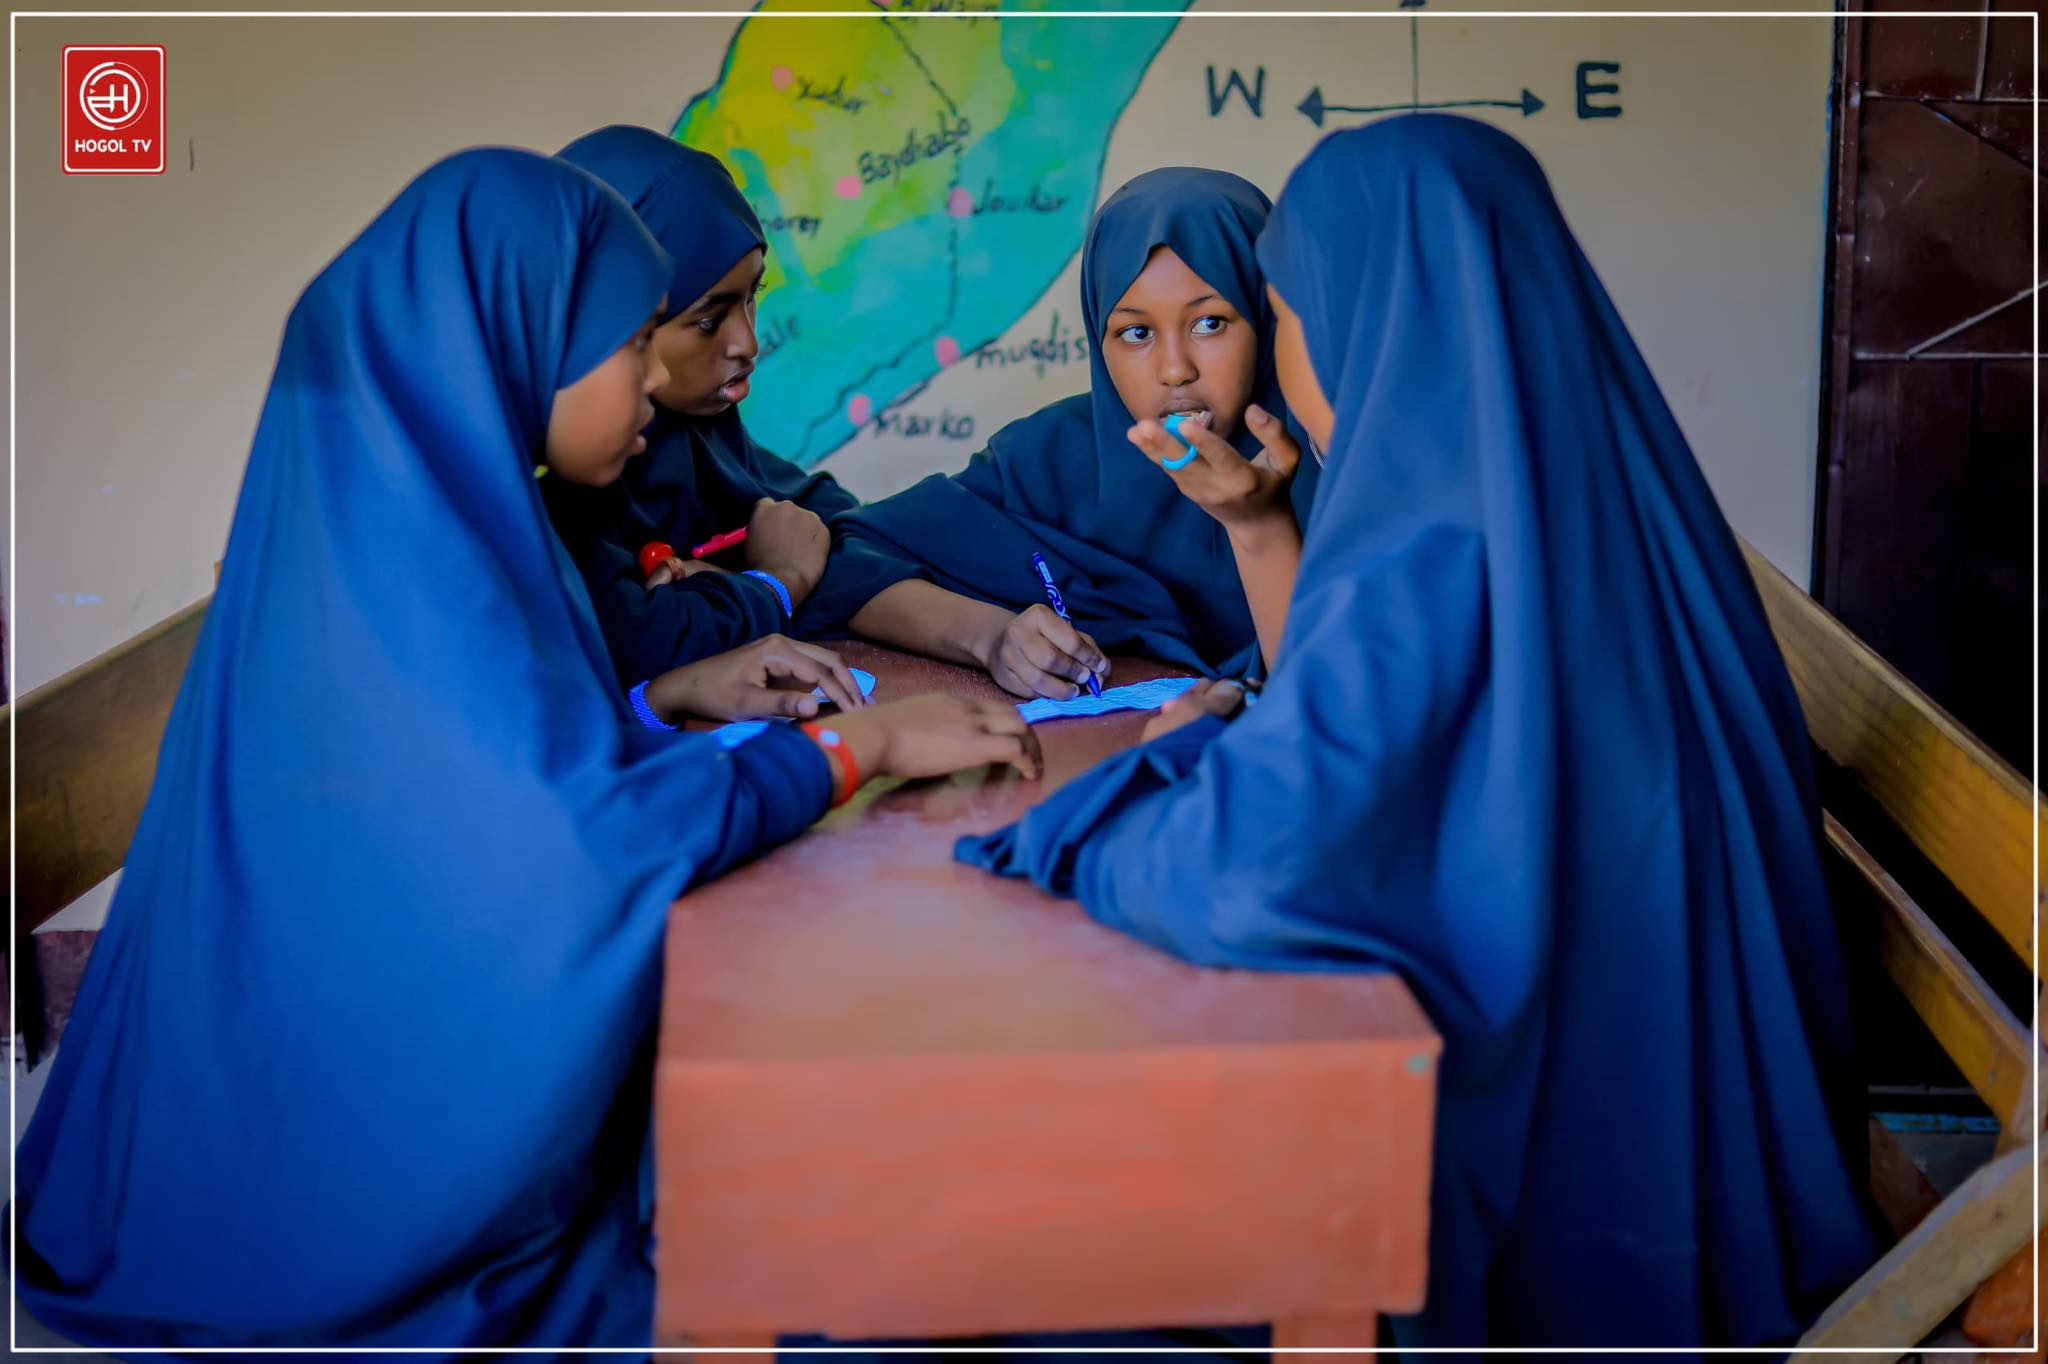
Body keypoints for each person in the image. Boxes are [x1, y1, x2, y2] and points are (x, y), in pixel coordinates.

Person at [15, 147, 1038, 1353]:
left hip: (256, 1094)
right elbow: (565, 852)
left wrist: (663, 702)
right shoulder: (425, 553)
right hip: (312, 1194)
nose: (651, 378)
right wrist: (847, 750)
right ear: (515, 336)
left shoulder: (406, 496)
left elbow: (487, 777)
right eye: (631, 341)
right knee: (855, 1248)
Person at [957, 116, 1880, 1351]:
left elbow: (1244, 874)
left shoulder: (1422, 553)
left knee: (1025, 1256)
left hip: (1563, 1205)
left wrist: (1114, 800)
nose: (1272, 351)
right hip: (1696, 1151)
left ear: (1359, 314)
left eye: (1274, 311)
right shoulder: (1629, 505)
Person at [804, 168, 1319, 698]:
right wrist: (991, 637)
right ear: (1100, 338)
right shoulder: (1050, 457)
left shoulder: (1336, 464)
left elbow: (1345, 695)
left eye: (1209, 323)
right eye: (1136, 332)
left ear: (1267, 314)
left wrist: (1260, 526)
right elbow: (850, 562)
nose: (1174, 369)